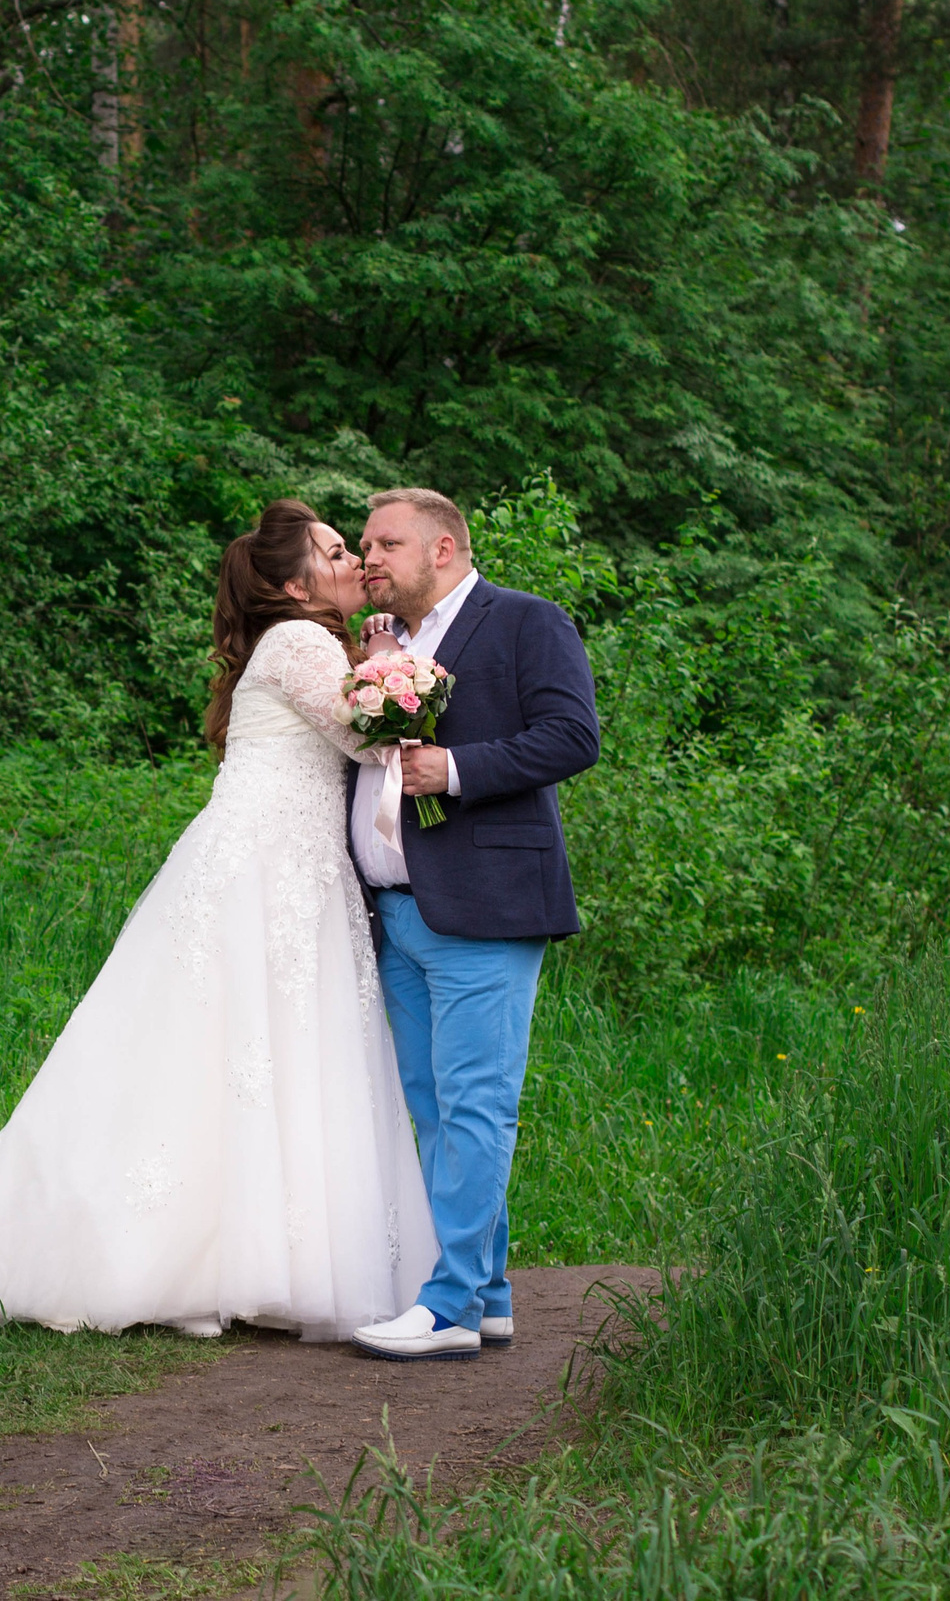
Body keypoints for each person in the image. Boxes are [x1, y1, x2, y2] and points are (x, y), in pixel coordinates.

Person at [0, 500, 430, 1339]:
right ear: (296, 584)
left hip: (288, 869)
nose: (353, 557)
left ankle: (246, 1254)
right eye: (332, 550)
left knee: (239, 1053)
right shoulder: (301, 642)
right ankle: (169, 1255)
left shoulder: (311, 645)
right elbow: (371, 735)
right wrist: (399, 661)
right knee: (237, 1048)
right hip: (265, 869)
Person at [343, 489, 599, 1362]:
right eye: (364, 543)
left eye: (386, 543)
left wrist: (455, 768)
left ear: (444, 548)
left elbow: (572, 736)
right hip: (398, 913)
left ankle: (447, 1307)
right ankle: (487, 1296)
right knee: (433, 1109)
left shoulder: (526, 622)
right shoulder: (391, 645)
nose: (368, 558)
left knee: (477, 1108)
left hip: (486, 905)